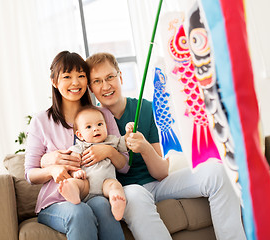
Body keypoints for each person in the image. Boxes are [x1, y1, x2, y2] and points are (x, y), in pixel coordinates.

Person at [84, 52, 247, 240]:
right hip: (127, 190)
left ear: (120, 76)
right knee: (136, 196)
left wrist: (145, 147)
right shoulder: (90, 121)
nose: (105, 86)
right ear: (90, 88)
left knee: (219, 172)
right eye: (97, 81)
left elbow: (161, 173)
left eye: (110, 77)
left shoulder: (145, 108)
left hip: (159, 184)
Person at [25, 51, 128, 240]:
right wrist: (52, 170)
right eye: (67, 76)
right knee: (79, 212)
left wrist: (108, 151)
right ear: (54, 81)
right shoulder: (41, 121)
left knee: (103, 207)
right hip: (55, 202)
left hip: (96, 193)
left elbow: (125, 165)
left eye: (81, 76)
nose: (75, 82)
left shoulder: (103, 115)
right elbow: (30, 174)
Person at [59, 105, 133, 221]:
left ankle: (116, 201)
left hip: (106, 183)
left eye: (100, 124)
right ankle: (72, 192)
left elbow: (125, 144)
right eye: (88, 127)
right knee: (75, 182)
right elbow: (73, 163)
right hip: (86, 183)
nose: (95, 129)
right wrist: (76, 173)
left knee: (115, 185)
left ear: (106, 126)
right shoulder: (81, 146)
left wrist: (129, 133)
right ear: (80, 135)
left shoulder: (111, 141)